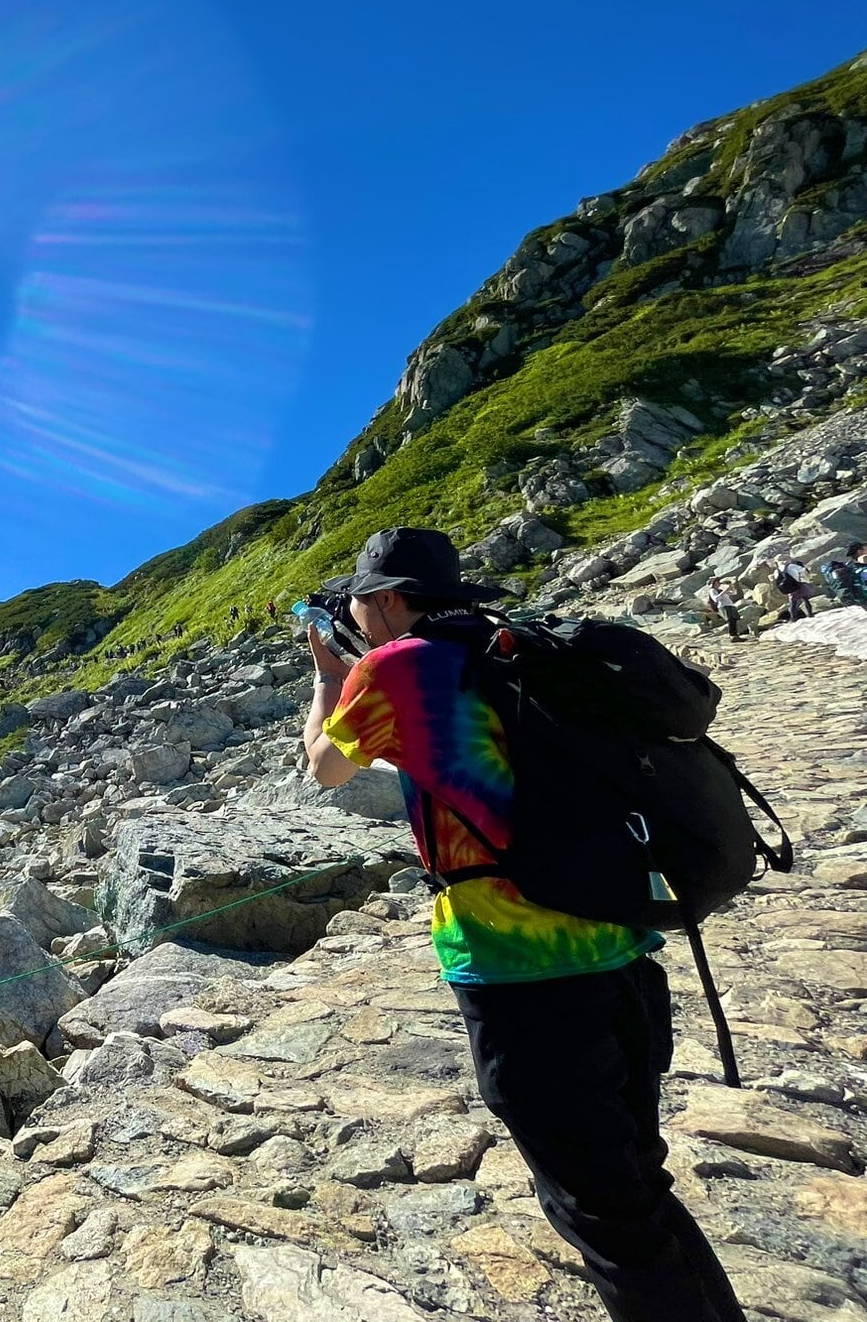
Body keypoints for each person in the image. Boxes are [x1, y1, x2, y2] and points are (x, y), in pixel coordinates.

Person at [301, 527, 745, 1322]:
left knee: (601, 1212)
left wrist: (327, 679)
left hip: (520, 973)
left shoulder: (395, 666)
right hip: (623, 947)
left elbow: (324, 769)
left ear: (392, 599)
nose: (359, 613)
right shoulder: (514, 648)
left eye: (365, 598)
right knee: (636, 1185)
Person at [699, 576, 747, 641]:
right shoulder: (712, 590)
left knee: (734, 620)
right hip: (723, 606)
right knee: (730, 619)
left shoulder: (720, 590)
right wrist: (725, 591)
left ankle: (735, 635)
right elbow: (716, 599)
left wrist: (731, 586)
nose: (719, 584)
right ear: (714, 583)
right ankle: (732, 635)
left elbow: (734, 593)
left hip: (730, 605)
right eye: (717, 582)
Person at [771, 555, 814, 622]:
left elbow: (776, 579)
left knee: (793, 604)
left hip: (790, 588)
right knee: (806, 600)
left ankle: (793, 618)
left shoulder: (777, 570)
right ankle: (810, 614)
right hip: (798, 585)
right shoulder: (791, 566)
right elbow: (803, 570)